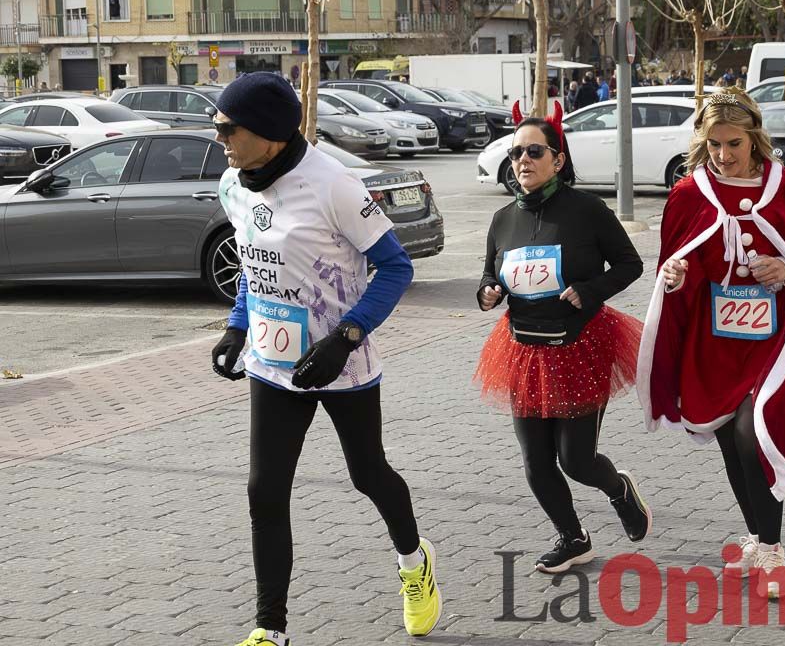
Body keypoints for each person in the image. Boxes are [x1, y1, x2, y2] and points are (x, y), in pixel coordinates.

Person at [209, 73, 441, 645]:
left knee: (369, 475)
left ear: (266, 132)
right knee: (264, 491)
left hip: (343, 365)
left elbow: (397, 267)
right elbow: (254, 266)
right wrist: (238, 327)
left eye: (226, 128)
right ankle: (270, 629)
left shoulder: (332, 184)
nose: (219, 139)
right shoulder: (233, 185)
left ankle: (415, 564)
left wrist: (346, 337)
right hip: (273, 363)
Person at [637, 89, 785, 600]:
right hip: (717, 338)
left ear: (755, 138)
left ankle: (773, 551)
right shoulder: (690, 193)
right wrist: (678, 275)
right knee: (731, 438)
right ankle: (757, 537)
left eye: (734, 143)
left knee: (756, 430)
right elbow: (678, 262)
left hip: (776, 337)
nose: (724, 155)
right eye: (714, 145)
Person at [474, 104, 650, 574]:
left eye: (534, 151)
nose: (523, 161)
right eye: (516, 153)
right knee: (536, 461)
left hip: (579, 344)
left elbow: (630, 264)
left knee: (576, 459)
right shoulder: (503, 218)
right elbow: (491, 273)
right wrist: (488, 291)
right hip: (522, 347)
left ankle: (618, 489)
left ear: (558, 159)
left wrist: (591, 291)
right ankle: (573, 537)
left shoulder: (587, 210)